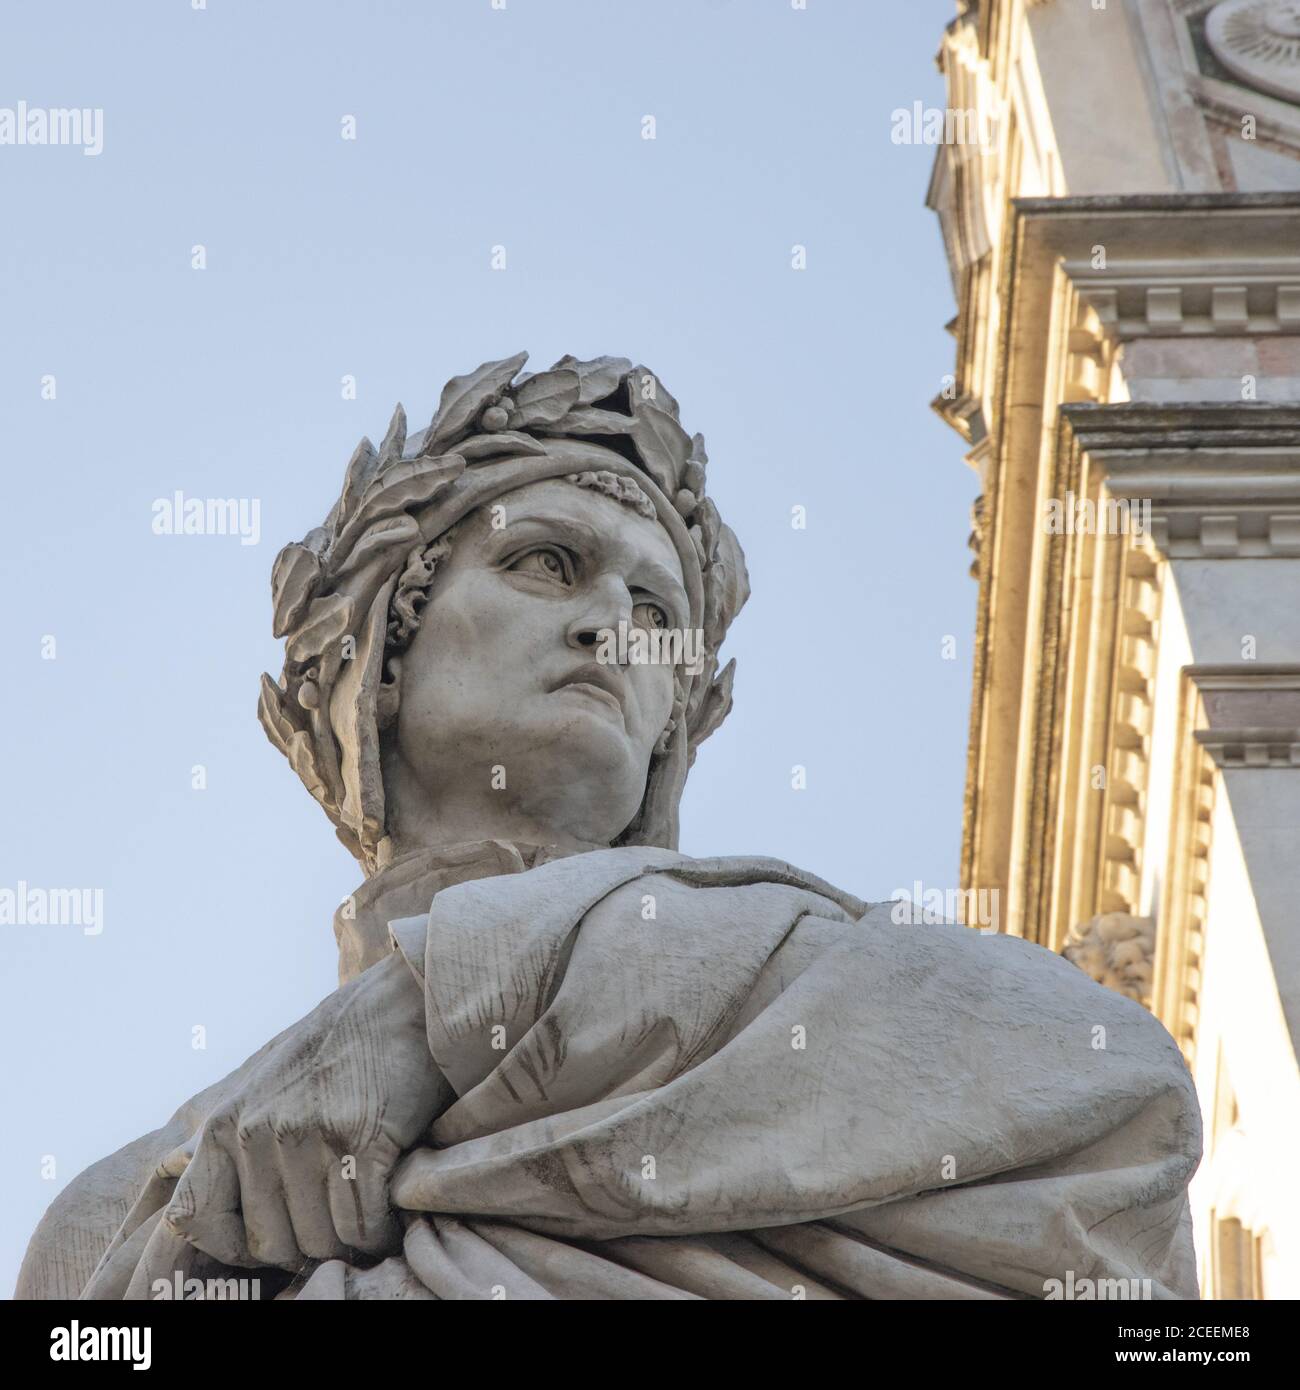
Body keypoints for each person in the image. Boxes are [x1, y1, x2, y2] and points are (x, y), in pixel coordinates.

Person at [18, 354, 1201, 1300]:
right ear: (382, 649)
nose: (612, 629)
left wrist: (454, 1002)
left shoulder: (852, 1005)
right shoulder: (127, 1210)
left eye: (655, 611)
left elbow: (1117, 1106)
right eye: (546, 565)